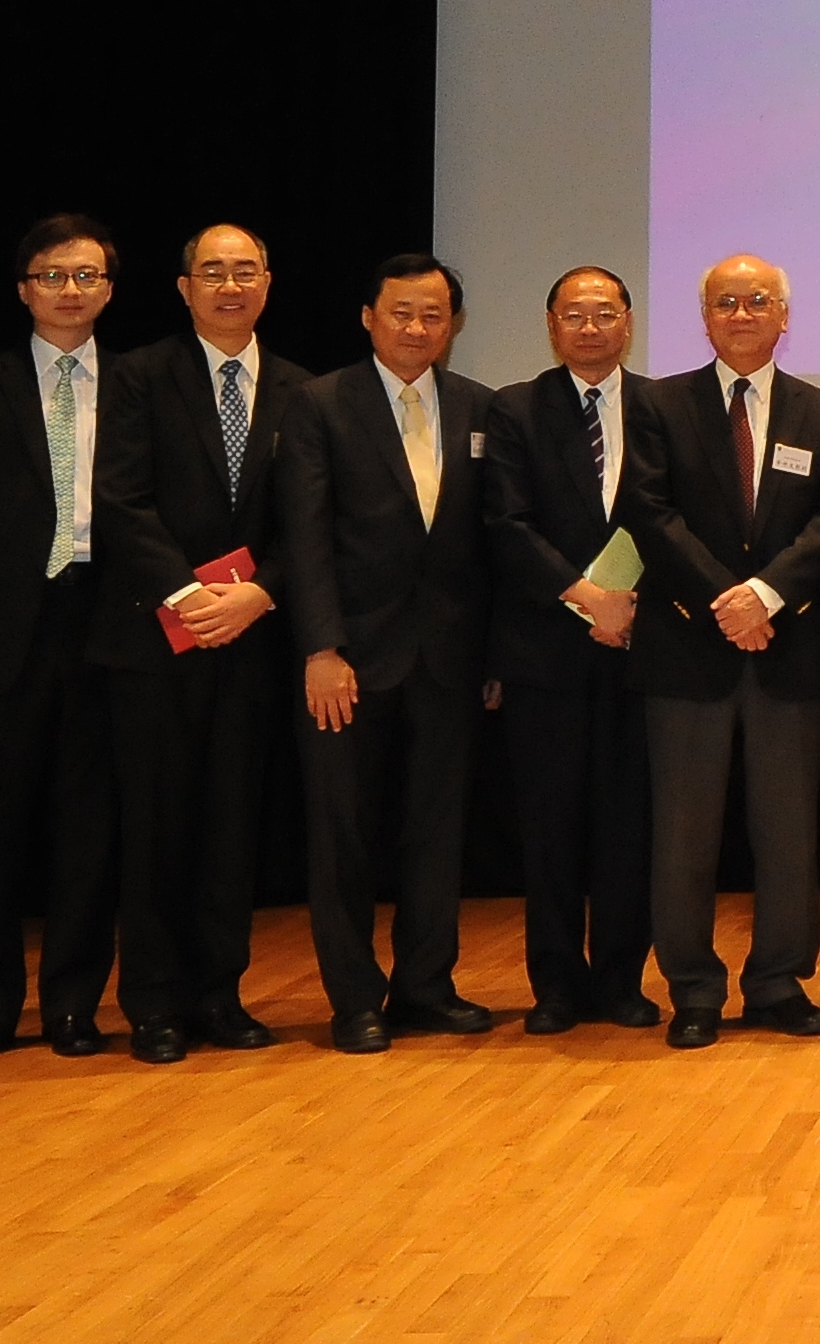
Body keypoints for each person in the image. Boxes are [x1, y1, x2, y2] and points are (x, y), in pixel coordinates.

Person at [91, 222, 304, 1062]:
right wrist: (187, 595)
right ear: (183, 287)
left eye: (244, 270)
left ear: (267, 282)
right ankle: (151, 1003)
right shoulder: (139, 376)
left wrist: (258, 594)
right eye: (211, 271)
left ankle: (220, 995)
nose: (228, 285)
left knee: (231, 828)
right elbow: (120, 498)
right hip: (156, 643)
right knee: (155, 827)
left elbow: (308, 520)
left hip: (252, 638)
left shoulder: (302, 388)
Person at [275, 253, 498, 1053]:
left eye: (433, 315)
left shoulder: (478, 407)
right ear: (368, 316)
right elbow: (303, 537)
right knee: (344, 836)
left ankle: (426, 987)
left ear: (453, 324)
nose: (417, 328)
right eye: (401, 312)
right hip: (349, 663)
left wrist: (493, 656)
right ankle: (354, 998)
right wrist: (321, 646)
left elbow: (486, 545)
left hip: (449, 661)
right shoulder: (319, 404)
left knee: (436, 833)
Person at [635, 254, 820, 1045]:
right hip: (688, 651)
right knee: (684, 834)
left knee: (788, 830)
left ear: (783, 315)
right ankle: (692, 987)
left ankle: (777, 982)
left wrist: (764, 595)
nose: (741, 312)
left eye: (757, 299)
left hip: (787, 649)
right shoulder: (659, 404)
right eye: (725, 301)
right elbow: (650, 513)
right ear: (704, 317)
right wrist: (726, 600)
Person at [0, 216, 126, 1068]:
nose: (70, 290)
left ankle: (75, 1006)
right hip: (4, 630)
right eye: (53, 275)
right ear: (22, 288)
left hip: (107, 622)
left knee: (90, 830)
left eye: (87, 275)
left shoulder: (141, 383)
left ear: (110, 289)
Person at [478, 266, 660, 1035]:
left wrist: (633, 604)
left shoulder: (664, 407)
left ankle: (621, 979)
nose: (590, 328)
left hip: (643, 652)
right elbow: (506, 523)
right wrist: (588, 598)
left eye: (604, 313)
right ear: (551, 325)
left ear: (628, 321)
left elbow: (677, 516)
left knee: (630, 825)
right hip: (545, 652)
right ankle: (554, 983)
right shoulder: (513, 409)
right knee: (548, 828)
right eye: (573, 315)